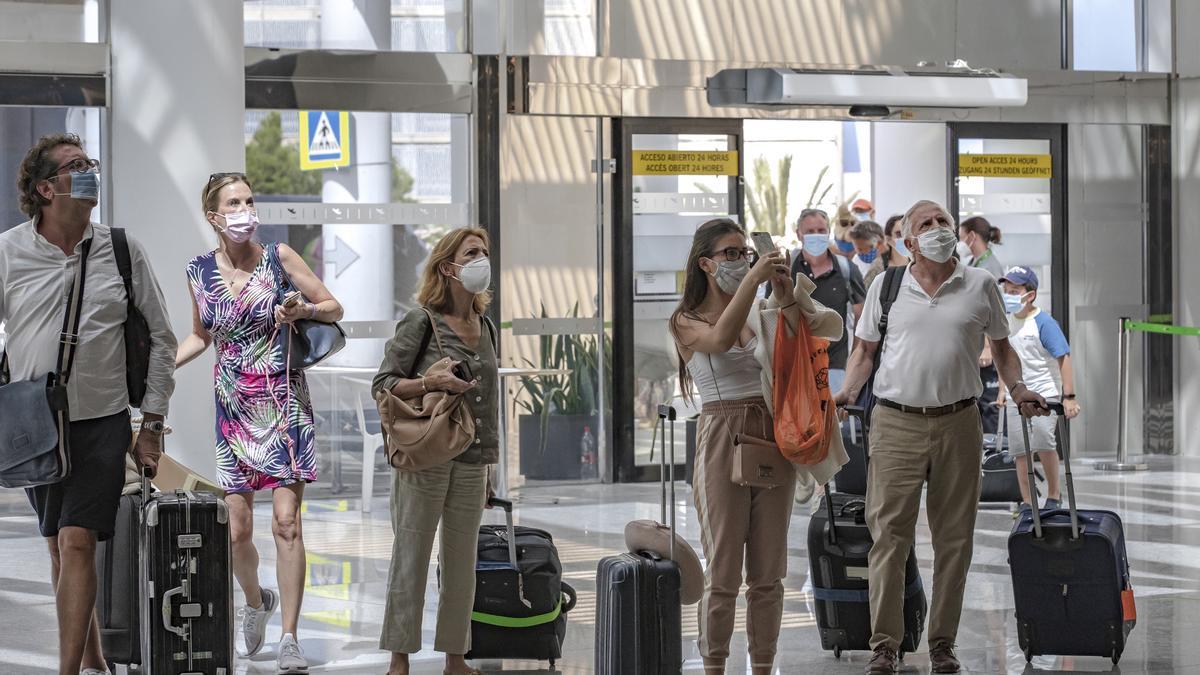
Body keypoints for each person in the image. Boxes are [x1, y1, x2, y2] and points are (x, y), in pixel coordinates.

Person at [834, 200, 1048, 675]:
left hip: (958, 422)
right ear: (908, 242)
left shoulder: (981, 285)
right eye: (925, 224)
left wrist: (1018, 387)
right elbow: (864, 350)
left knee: (955, 539)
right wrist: (847, 391)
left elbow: (1002, 347)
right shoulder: (886, 286)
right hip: (895, 422)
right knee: (888, 535)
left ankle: (942, 643)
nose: (937, 229)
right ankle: (885, 645)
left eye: (943, 221)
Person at [1, 133, 177, 675]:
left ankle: (68, 671)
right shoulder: (9, 250)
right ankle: (95, 655)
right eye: (76, 166)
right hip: (34, 422)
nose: (89, 173)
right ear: (46, 188)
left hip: (102, 421)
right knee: (58, 545)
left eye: (91, 164)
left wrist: (152, 423)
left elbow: (163, 339)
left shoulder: (122, 250)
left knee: (78, 542)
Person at [175, 173, 343, 674]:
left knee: (287, 523)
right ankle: (255, 600)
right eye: (234, 202)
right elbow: (200, 335)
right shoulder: (198, 270)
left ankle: (290, 637)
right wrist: (160, 367)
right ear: (214, 216)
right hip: (233, 406)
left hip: (282, 400)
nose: (245, 209)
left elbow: (334, 307)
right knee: (237, 529)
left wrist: (302, 308)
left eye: (249, 200)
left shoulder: (280, 258)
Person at [670, 218, 801, 675]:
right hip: (722, 431)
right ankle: (715, 666)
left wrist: (782, 290)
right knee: (723, 570)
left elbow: (794, 340)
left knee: (769, 572)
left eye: (744, 252)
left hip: (770, 430)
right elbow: (720, 338)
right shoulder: (685, 320)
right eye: (730, 253)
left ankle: (764, 665)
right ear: (705, 263)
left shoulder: (757, 305)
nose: (741, 260)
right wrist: (754, 280)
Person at [373, 227, 499, 675]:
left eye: (484, 251)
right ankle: (399, 659)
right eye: (472, 253)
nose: (483, 258)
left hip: (470, 459)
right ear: (448, 268)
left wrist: (490, 466)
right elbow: (383, 384)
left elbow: (488, 402)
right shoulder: (421, 320)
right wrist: (432, 382)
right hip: (425, 458)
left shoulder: (485, 326)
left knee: (462, 565)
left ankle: (455, 658)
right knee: (411, 558)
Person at [994, 266, 1080, 512]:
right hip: (1016, 395)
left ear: (1030, 295)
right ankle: (1027, 501)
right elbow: (1003, 359)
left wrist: (1069, 396)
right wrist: (1003, 390)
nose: (1009, 295)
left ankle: (1054, 494)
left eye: (1015, 291)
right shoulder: (1005, 321)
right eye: (1006, 290)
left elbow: (1064, 357)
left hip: (1045, 392)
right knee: (1021, 450)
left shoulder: (1044, 322)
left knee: (1044, 442)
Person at [790, 208, 866, 395]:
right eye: (809, 232)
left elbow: (861, 317)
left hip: (835, 366)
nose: (816, 236)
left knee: (833, 422)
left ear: (829, 232)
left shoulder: (846, 269)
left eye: (821, 231)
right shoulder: (787, 268)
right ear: (799, 234)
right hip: (794, 365)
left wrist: (854, 359)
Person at [849, 220, 886, 287]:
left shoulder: (888, 263)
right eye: (857, 248)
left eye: (862, 248)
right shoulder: (856, 260)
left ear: (879, 243)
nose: (860, 253)